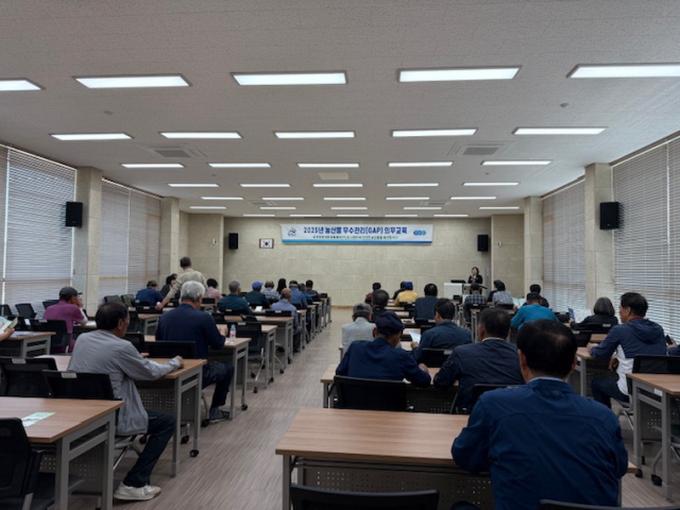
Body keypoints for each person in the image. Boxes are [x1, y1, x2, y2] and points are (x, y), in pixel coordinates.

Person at [452, 320, 628, 510]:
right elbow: (619, 467)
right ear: (572, 364)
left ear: (521, 359)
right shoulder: (604, 417)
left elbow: (465, 457)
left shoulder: (493, 404)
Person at [68, 302, 182, 501]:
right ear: (121, 323)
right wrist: (174, 363)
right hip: (112, 416)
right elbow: (150, 372)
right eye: (127, 321)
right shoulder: (122, 346)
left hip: (83, 413)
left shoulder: (83, 339)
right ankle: (133, 483)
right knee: (167, 422)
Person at [156, 281, 233, 422]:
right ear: (198, 298)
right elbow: (218, 344)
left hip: (170, 371)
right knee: (228, 368)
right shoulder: (204, 317)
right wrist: (222, 333)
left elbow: (158, 343)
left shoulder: (164, 318)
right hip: (197, 373)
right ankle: (215, 410)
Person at [434, 308, 523, 411]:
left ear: (481, 330)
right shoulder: (521, 355)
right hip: (511, 414)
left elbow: (441, 383)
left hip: (469, 414)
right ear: (509, 332)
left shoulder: (462, 353)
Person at [590, 292, 666, 408]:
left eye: (620, 308)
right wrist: (617, 357)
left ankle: (605, 417)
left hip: (629, 391)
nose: (619, 311)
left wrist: (592, 348)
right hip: (657, 391)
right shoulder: (658, 329)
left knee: (596, 382)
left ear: (628, 310)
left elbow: (599, 354)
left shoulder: (620, 330)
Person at [336, 312, 431, 387]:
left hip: (354, 405)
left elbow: (339, 373)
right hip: (389, 406)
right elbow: (424, 382)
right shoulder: (401, 356)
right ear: (398, 336)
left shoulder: (355, 348)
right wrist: (423, 369)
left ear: (374, 332)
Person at [44, 286, 88, 352]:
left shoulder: (49, 308)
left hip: (49, 343)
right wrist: (79, 307)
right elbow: (84, 322)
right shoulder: (73, 308)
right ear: (73, 298)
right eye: (77, 297)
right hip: (67, 344)